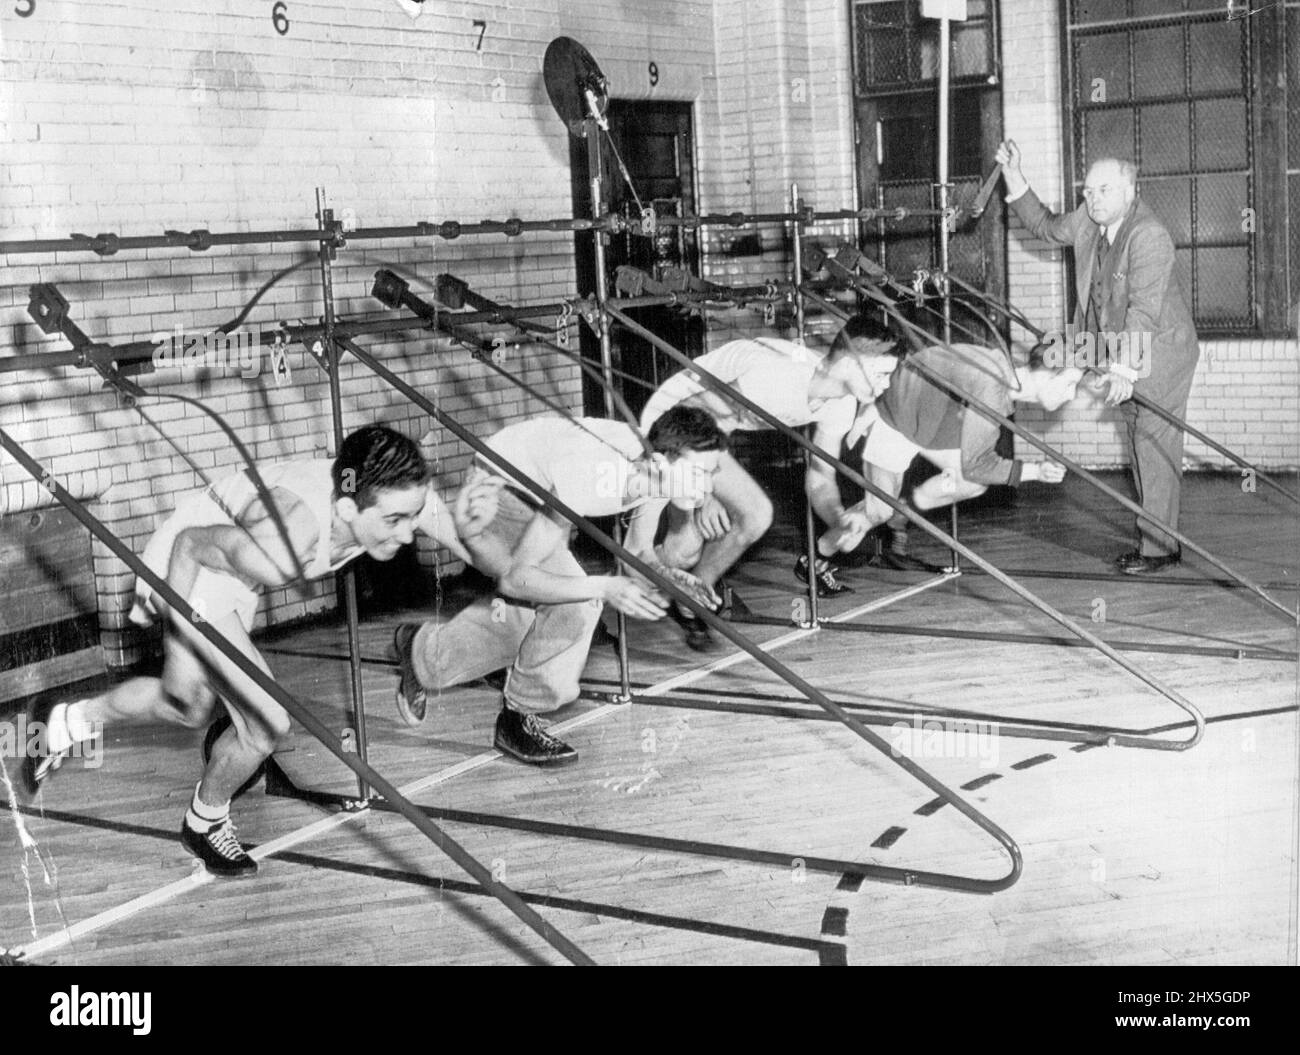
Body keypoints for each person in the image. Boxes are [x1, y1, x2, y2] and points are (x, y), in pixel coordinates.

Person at [23, 425, 499, 879]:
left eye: (414, 515)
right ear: (350, 511)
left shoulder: (394, 492)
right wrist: (178, 624)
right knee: (267, 722)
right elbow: (191, 545)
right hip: (191, 566)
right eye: (395, 521)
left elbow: (490, 558)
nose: (409, 533)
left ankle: (65, 721)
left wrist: (483, 534)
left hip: (232, 561)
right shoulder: (287, 542)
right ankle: (204, 821)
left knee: (184, 707)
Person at [391, 406, 726, 766]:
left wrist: (673, 580)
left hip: (537, 482)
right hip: (501, 487)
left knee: (532, 615)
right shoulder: (592, 475)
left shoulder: (658, 469)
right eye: (698, 473)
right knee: (575, 603)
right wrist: (603, 587)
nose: (706, 487)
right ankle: (517, 718)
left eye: (711, 472)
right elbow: (516, 579)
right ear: (661, 462)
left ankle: (422, 652)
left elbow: (638, 551)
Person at [996, 141, 1201, 574]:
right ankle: (1159, 537)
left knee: (1153, 443)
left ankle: (1160, 549)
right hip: (1112, 343)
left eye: (1103, 191)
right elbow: (1046, 226)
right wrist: (1014, 175)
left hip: (1159, 351)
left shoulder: (1149, 235)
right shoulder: (1090, 220)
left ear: (1130, 190)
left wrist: (1124, 369)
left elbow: (1143, 310)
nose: (1092, 199)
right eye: (1087, 191)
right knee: (1137, 439)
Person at [637, 315, 903, 649]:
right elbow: (692, 410)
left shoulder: (841, 400)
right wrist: (706, 494)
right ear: (850, 364)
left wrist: (839, 521)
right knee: (684, 547)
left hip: (710, 433)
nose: (887, 385)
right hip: (673, 421)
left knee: (756, 515)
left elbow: (821, 476)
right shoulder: (778, 377)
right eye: (882, 374)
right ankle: (628, 585)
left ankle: (693, 599)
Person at [859, 342, 1081, 561]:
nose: (1071, 395)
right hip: (895, 415)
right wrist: (1036, 472)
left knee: (969, 483)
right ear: (1044, 375)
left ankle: (903, 511)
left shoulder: (1009, 372)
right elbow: (977, 465)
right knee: (876, 512)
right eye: (1069, 384)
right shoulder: (993, 387)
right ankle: (825, 556)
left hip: (925, 420)